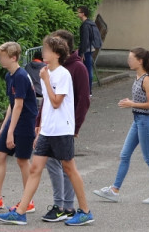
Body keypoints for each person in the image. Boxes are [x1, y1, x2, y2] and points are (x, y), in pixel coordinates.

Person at [0, 35, 94, 226]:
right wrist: (40, 127)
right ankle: (21, 212)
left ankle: (85, 211)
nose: (43, 53)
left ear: (56, 54)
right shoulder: (45, 72)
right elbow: (46, 104)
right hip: (48, 130)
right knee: (35, 168)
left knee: (69, 168)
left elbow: (57, 102)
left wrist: (47, 81)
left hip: (62, 130)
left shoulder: (63, 74)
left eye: (47, 50)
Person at [92, 48, 149, 206]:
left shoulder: (146, 79)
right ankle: (114, 190)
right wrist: (132, 103)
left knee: (148, 157)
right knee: (125, 154)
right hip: (138, 120)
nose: (128, 61)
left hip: (146, 121)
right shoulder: (138, 76)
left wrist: (131, 103)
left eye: (131, 58)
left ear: (140, 61)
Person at [0, 42, 39, 214]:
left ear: (13, 58)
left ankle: (28, 201)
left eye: (3, 56)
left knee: (22, 160)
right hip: (15, 120)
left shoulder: (20, 76)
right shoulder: (9, 76)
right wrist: (4, 126)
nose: (0, 59)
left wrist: (11, 131)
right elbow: (11, 104)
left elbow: (19, 105)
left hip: (25, 122)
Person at [39, 29, 92, 223]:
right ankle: (58, 204)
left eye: (55, 44)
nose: (48, 49)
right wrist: (39, 123)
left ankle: (69, 206)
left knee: (67, 166)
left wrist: (75, 127)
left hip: (64, 126)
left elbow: (83, 100)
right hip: (50, 126)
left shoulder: (76, 68)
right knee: (46, 165)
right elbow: (46, 99)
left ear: (63, 48)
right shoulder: (49, 70)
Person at [77, 6, 102, 93]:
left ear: (83, 13)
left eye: (78, 12)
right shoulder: (91, 23)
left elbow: (85, 39)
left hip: (86, 50)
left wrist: (82, 52)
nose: (77, 14)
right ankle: (88, 90)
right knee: (88, 69)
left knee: (87, 70)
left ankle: (88, 90)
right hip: (91, 48)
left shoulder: (85, 25)